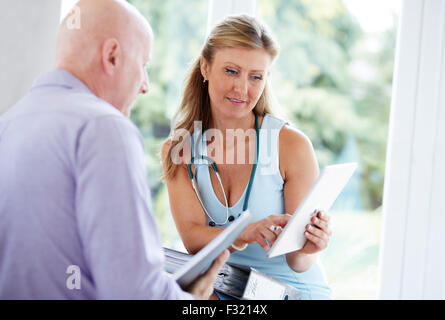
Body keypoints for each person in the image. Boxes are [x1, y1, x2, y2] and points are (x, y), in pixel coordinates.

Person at [0, 0, 229, 300]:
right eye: (143, 64)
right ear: (112, 56)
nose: (145, 85)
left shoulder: (10, 121)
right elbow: (133, 292)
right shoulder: (103, 127)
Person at [162, 14, 332, 300]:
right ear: (205, 67)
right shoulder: (180, 150)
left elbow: (299, 262)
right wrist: (246, 232)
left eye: (256, 77)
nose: (242, 89)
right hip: (226, 291)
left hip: (293, 293)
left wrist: (310, 246)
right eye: (231, 71)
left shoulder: (291, 146)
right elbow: (193, 241)